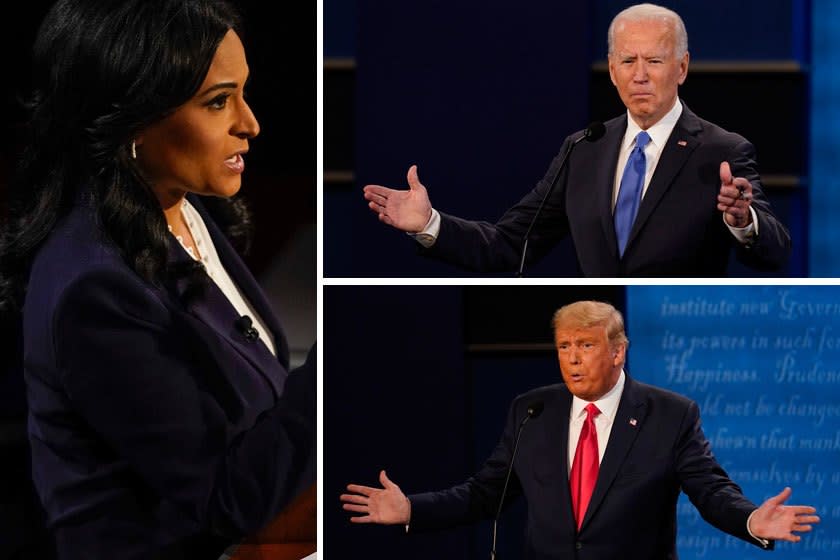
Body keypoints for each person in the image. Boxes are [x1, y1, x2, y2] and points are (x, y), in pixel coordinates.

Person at [0, 1, 315, 558]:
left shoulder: (178, 204)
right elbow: (223, 498)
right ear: (133, 120)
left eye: (244, 92)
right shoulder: (93, 290)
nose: (251, 123)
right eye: (219, 102)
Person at [341, 300, 819, 559]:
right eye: (564, 345)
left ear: (618, 351)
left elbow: (711, 491)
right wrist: (411, 510)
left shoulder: (669, 414)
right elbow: (486, 494)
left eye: (586, 344)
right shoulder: (532, 411)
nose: (571, 356)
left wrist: (751, 521)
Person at [362, 3, 791, 277]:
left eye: (654, 60)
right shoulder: (584, 149)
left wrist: (742, 221)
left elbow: (775, 251)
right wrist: (430, 224)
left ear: (681, 68)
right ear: (611, 69)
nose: (639, 74)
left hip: (675, 334)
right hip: (596, 331)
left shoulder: (721, 150)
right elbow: (512, 246)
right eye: (628, 60)